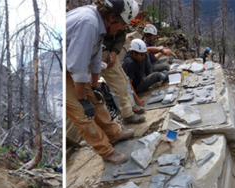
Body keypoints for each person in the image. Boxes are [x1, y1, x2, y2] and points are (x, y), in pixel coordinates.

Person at [66, 0, 137, 165]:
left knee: (97, 102)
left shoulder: (99, 23)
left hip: (74, 67)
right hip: (63, 70)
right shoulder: (89, 23)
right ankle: (106, 150)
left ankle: (113, 134)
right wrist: (83, 99)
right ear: (112, 16)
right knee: (82, 113)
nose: (121, 29)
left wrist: (93, 86)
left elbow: (95, 56)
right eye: (121, 24)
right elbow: (78, 66)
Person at [100, 1, 145, 124]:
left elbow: (121, 37)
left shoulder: (119, 21)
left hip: (109, 50)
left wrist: (114, 53)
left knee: (123, 78)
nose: (122, 27)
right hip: (102, 51)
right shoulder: (101, 22)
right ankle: (127, 113)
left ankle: (131, 106)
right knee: (118, 83)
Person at [122, 39, 168, 106]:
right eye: (141, 55)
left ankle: (151, 74)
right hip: (137, 86)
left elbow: (148, 49)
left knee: (146, 54)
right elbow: (129, 84)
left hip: (139, 76)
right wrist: (137, 100)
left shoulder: (132, 53)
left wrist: (162, 50)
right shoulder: (130, 63)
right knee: (156, 75)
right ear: (134, 53)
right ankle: (168, 74)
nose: (143, 56)